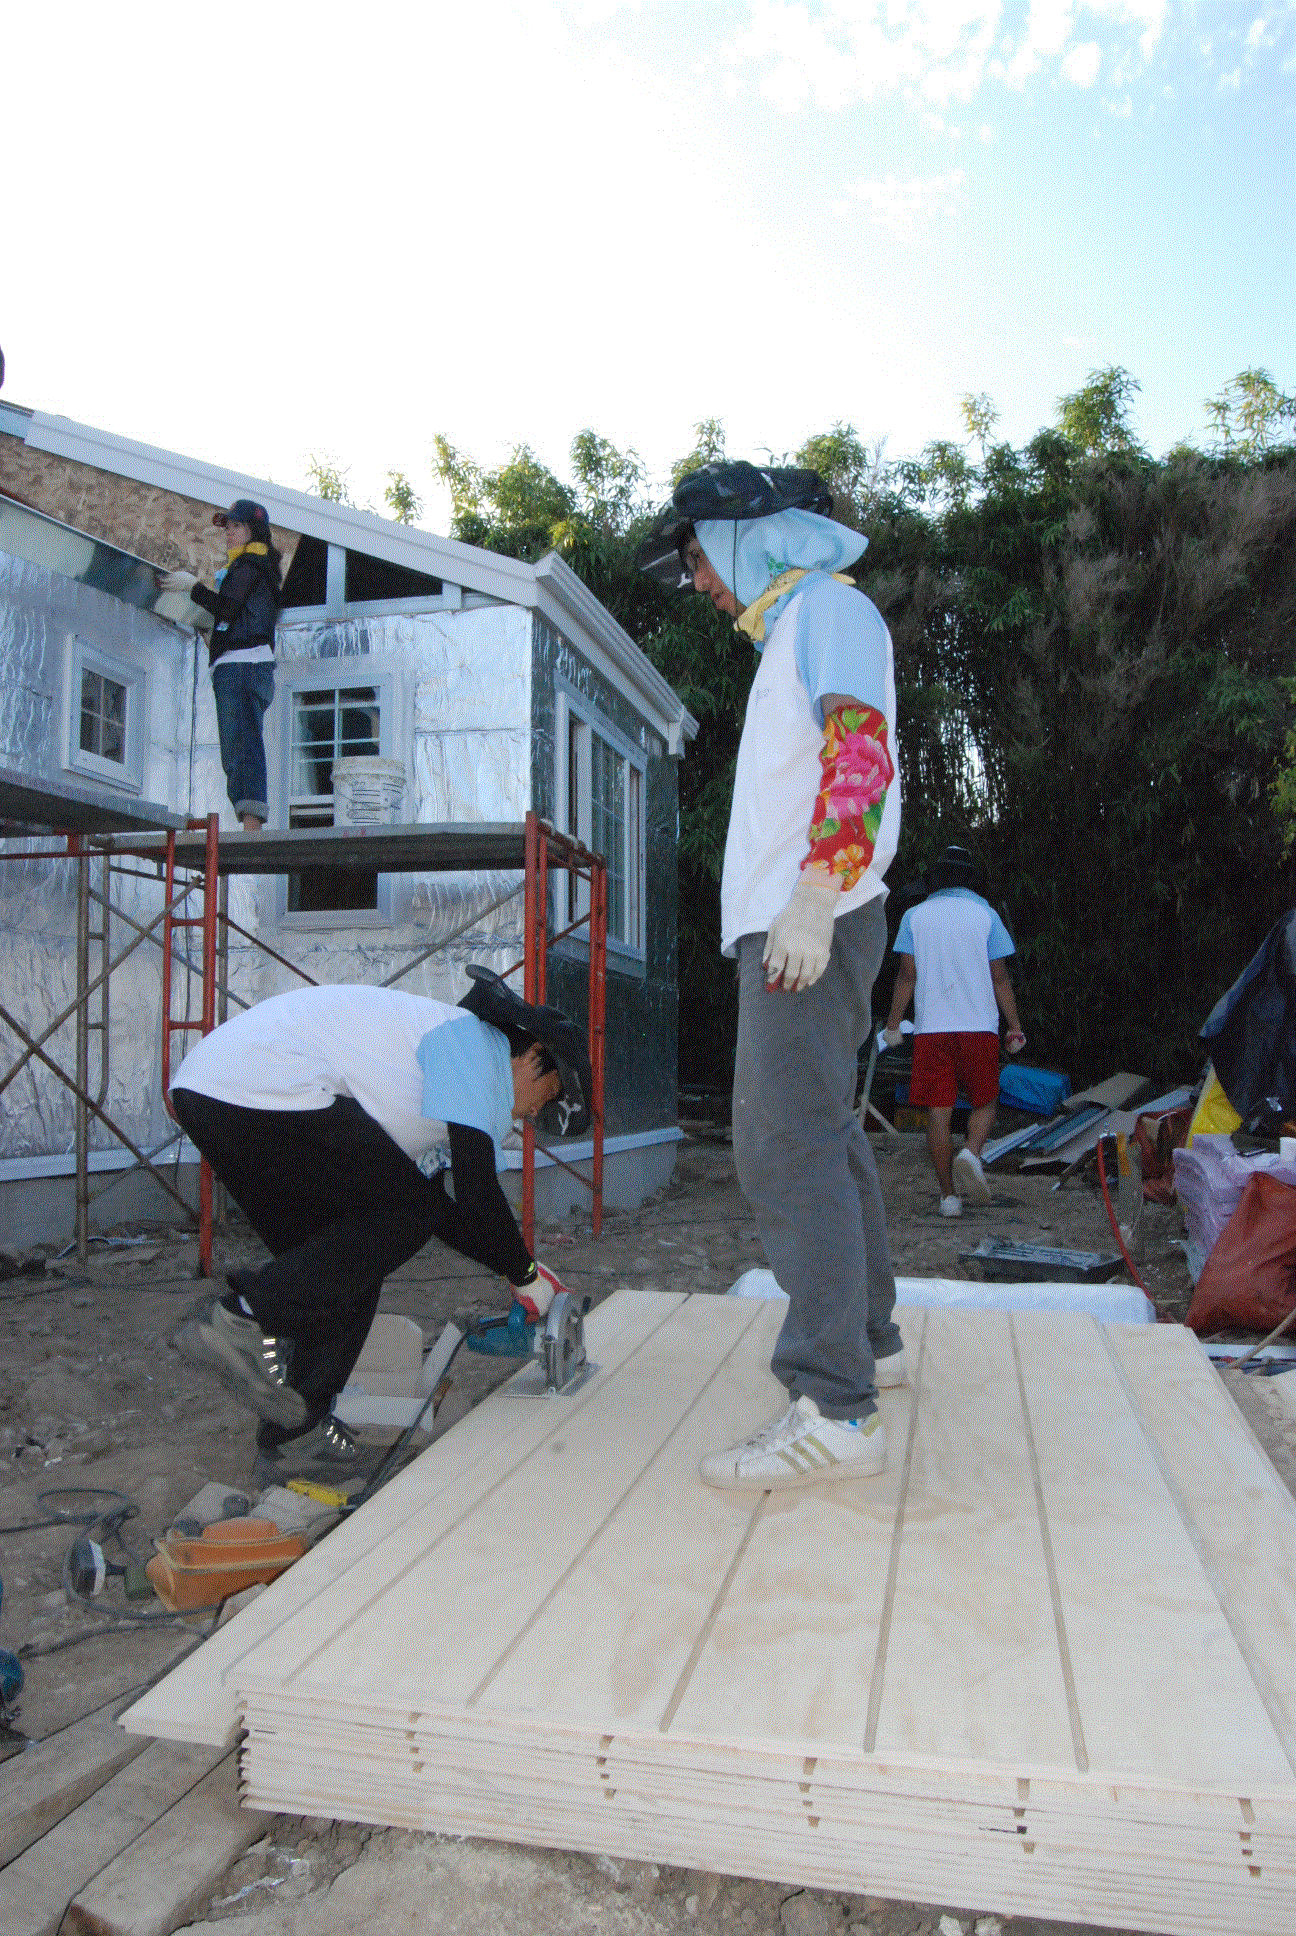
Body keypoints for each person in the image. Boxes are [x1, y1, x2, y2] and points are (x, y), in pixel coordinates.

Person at [640, 460, 905, 1493]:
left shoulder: (828, 611)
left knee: (782, 1144)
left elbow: (860, 749)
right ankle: (869, 1341)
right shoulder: (799, 624)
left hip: (810, 921)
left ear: (748, 536)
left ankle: (835, 1407)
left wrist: (815, 891)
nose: (701, 583)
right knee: (824, 1134)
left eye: (700, 558)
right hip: (812, 915)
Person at [170, 967, 591, 1483]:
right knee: (401, 1217)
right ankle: (239, 1317)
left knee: (349, 1267)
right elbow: (475, 1195)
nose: (534, 1114)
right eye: (547, 1095)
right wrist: (524, 1274)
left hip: (215, 1092)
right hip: (264, 1085)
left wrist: (520, 1270)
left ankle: (295, 1438)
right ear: (532, 1055)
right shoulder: (476, 1048)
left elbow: (445, 1211)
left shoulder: (436, 1080)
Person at [882, 845, 1025, 1217]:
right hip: (979, 1028)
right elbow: (1000, 978)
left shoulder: (914, 916)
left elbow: (907, 977)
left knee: (938, 1113)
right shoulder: (986, 915)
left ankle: (948, 1198)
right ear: (969, 880)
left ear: (936, 881)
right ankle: (971, 1153)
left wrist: (894, 1023)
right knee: (985, 1100)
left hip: (932, 1031)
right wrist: (1014, 1025)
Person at [158, 498, 281, 831]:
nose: (228, 532)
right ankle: (250, 824)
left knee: (241, 746)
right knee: (239, 746)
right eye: (227, 527)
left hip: (242, 668)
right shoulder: (253, 568)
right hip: (243, 666)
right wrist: (209, 631)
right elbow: (235, 619)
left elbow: (227, 609)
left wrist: (193, 588)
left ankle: (251, 829)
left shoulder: (250, 565)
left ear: (254, 531)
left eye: (236, 526)